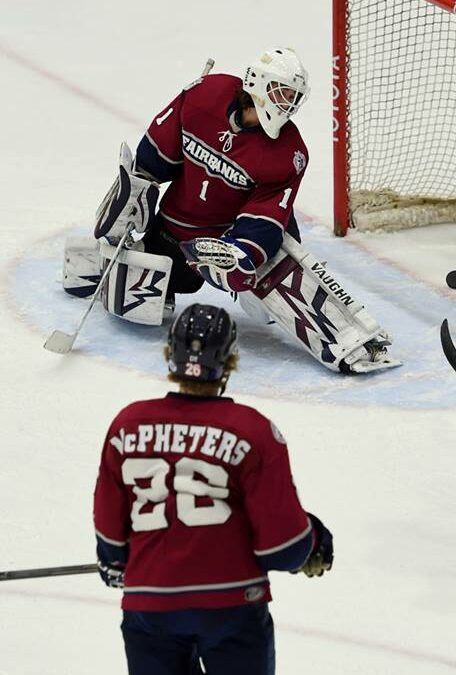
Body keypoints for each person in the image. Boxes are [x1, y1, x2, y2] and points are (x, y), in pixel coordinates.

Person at [78, 48, 397, 374]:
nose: (288, 104)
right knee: (136, 299)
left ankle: (349, 340)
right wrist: (136, 188)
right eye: (282, 93)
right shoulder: (205, 95)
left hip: (230, 238)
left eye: (294, 97)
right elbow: (159, 152)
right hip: (176, 228)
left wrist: (240, 255)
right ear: (257, 85)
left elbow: (266, 218)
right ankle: (101, 262)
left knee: (267, 299)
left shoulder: (289, 152)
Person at [93, 303, 334, 675]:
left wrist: (114, 560)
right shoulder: (252, 431)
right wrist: (313, 540)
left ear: (169, 354)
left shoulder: (127, 424)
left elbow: (110, 530)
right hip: (231, 609)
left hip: (150, 607)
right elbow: (283, 548)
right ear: (232, 359)